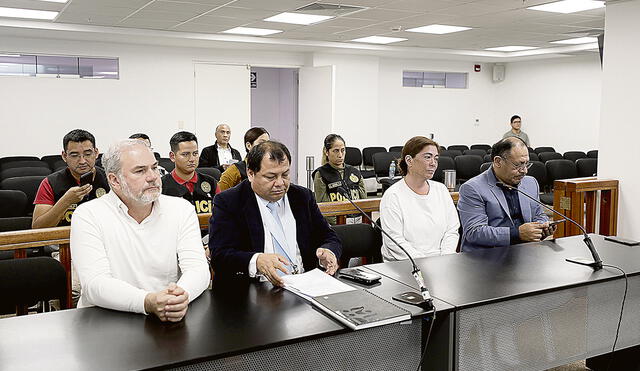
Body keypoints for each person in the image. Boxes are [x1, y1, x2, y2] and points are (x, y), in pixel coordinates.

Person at [70, 139, 210, 321]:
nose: (152, 176)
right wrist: (148, 301)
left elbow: (198, 269)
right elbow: (95, 284)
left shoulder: (181, 209)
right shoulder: (88, 215)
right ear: (114, 180)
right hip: (107, 321)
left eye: (154, 168)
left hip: (171, 315)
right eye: (140, 171)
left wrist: (180, 297)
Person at [209, 141, 341, 287]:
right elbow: (219, 255)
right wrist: (256, 261)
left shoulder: (302, 197)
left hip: (304, 287)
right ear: (251, 173)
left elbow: (329, 236)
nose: (280, 183)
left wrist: (329, 251)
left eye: (285, 175)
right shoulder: (229, 201)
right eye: (271, 177)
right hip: (253, 293)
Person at [457, 137, 555, 252]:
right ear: (498, 161)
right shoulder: (472, 188)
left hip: (523, 251)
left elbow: (539, 214)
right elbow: (474, 232)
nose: (524, 171)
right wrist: (517, 234)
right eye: (518, 165)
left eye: (527, 164)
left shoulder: (530, 182)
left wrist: (541, 227)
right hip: (487, 255)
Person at [379, 136, 460, 261]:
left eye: (436, 158)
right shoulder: (393, 196)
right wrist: (426, 263)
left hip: (443, 262)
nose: (433, 163)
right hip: (406, 266)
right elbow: (394, 241)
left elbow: (452, 230)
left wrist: (445, 258)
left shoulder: (441, 190)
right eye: (427, 157)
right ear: (409, 160)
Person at [33, 129, 110, 228]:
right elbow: (38, 229)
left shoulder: (111, 178)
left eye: (87, 154)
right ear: (64, 156)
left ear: (96, 153)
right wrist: (66, 201)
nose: (82, 161)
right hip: (64, 240)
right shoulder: (50, 183)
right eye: (74, 155)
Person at [312, 134, 366, 225]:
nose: (340, 155)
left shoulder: (355, 172)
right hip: (336, 225)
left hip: (358, 222)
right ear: (326, 152)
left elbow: (364, 202)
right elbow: (324, 208)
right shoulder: (321, 174)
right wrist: (341, 225)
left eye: (343, 150)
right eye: (336, 151)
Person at [162, 131, 220, 214]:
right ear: (172, 156)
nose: (192, 159)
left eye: (195, 153)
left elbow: (221, 215)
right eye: (185, 154)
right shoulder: (161, 186)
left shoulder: (211, 182)